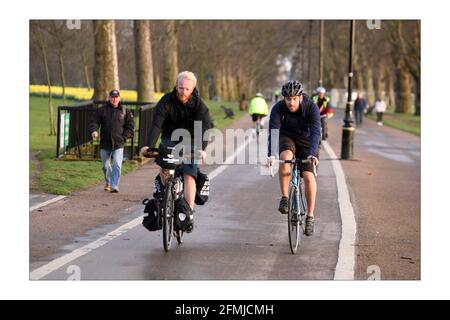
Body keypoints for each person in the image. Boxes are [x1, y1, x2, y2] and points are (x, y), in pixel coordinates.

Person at [140, 71, 212, 233]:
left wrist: (201, 148)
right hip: (169, 138)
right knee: (166, 167)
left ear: (192, 89)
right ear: (176, 86)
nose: (183, 92)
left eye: (187, 89)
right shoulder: (166, 101)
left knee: (189, 173)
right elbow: (156, 124)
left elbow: (204, 128)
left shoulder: (200, 106)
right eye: (181, 88)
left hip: (192, 140)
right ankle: (166, 198)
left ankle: (189, 213)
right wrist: (147, 146)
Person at [267, 80, 321, 236]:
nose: (291, 102)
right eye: (288, 99)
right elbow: (274, 131)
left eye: (294, 99)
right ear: (284, 98)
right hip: (287, 137)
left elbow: (316, 132)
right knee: (285, 158)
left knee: (309, 176)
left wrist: (312, 153)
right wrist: (271, 154)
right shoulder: (278, 108)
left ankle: (310, 216)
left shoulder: (311, 107)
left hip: (307, 140)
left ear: (300, 97)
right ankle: (284, 197)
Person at [89, 89, 135, 193]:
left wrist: (124, 137)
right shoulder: (102, 110)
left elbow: (130, 126)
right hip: (105, 142)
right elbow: (94, 121)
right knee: (105, 165)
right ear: (109, 98)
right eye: (112, 97)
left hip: (119, 143)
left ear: (119, 98)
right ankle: (108, 181)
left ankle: (114, 185)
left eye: (116, 97)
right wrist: (94, 131)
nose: (114, 99)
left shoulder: (125, 110)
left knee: (117, 164)